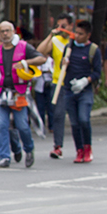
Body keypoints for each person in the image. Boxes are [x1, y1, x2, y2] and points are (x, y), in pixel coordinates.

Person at [0, 21, 35, 169]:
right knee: (1, 125)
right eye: (2, 31)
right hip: (0, 93)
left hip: (18, 93)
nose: (5, 34)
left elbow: (41, 59)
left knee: (22, 126)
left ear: (13, 32)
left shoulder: (24, 47)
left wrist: (25, 63)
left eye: (8, 31)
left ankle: (29, 149)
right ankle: (4, 157)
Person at [58, 20, 100, 163]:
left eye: (81, 34)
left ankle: (87, 148)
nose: (77, 36)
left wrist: (85, 81)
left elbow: (97, 73)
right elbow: (61, 66)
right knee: (74, 123)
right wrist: (64, 63)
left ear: (88, 35)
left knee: (83, 119)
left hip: (85, 90)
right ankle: (79, 150)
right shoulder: (69, 48)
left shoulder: (93, 50)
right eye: (76, 32)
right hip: (70, 90)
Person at [36, 13, 74, 158]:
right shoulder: (56, 40)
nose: (60, 29)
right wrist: (50, 35)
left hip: (75, 84)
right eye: (58, 26)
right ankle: (57, 146)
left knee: (79, 119)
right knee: (58, 115)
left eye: (63, 26)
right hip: (58, 83)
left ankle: (83, 146)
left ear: (71, 26)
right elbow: (39, 51)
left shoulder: (75, 41)